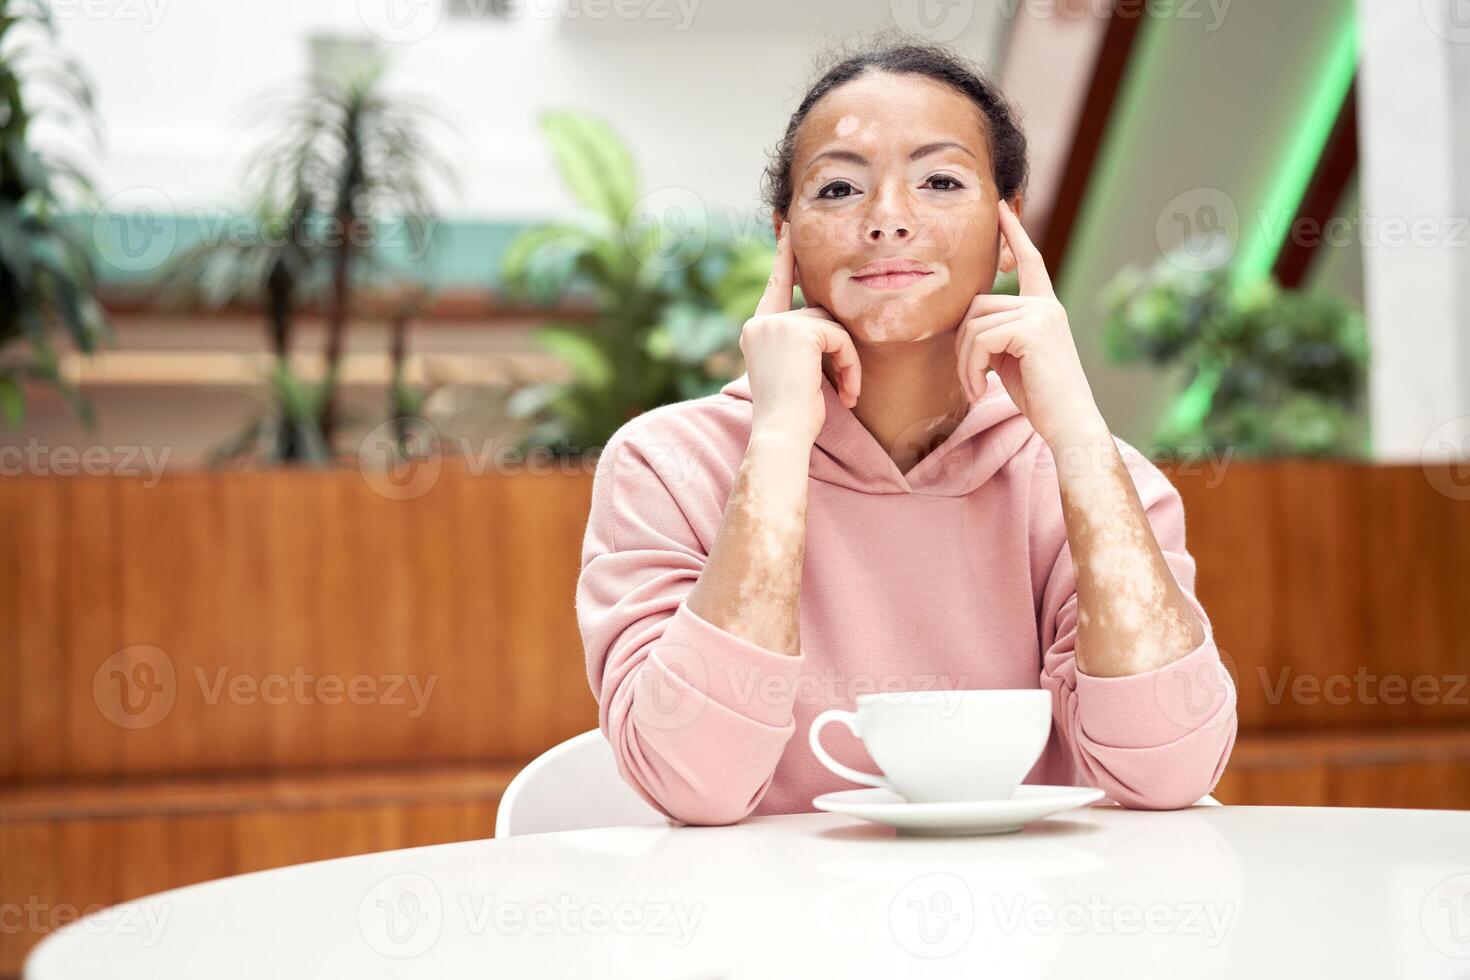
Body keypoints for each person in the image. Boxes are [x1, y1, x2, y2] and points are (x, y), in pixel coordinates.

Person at [575, 38, 1237, 826]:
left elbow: (1169, 773)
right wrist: (779, 438)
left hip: (1046, 928)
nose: (888, 219)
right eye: (840, 189)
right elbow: (695, 783)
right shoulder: (668, 465)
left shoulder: (1090, 476)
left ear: (1006, 228)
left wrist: (1080, 438)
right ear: (785, 233)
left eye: (941, 180)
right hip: (766, 934)